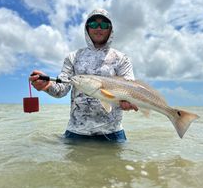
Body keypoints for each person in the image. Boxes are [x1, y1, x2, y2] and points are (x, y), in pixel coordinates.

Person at [30, 8, 138, 143]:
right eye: (93, 24)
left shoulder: (122, 59)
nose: (99, 28)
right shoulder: (73, 57)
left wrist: (128, 102)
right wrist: (47, 86)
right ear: (87, 28)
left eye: (104, 25)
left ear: (110, 30)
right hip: (76, 132)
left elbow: (131, 89)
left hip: (113, 133)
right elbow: (61, 89)